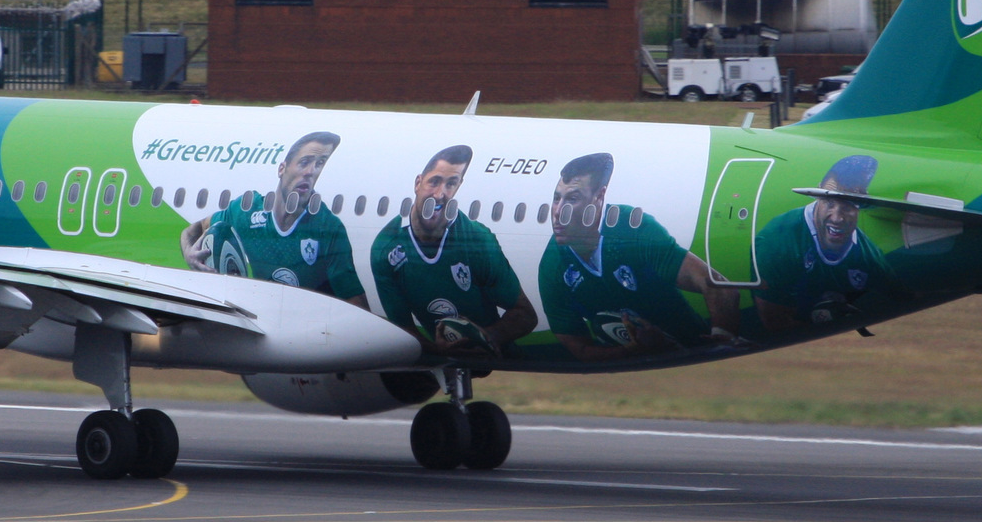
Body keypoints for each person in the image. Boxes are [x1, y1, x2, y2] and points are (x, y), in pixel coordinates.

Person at [536, 152, 740, 363]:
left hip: (693, 353)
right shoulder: (553, 265)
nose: (558, 212)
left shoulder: (634, 230)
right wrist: (634, 351)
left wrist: (721, 344)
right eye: (556, 198)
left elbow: (721, 287)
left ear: (599, 196)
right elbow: (579, 349)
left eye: (573, 199)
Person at [369, 144, 536, 357]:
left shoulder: (477, 240)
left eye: (451, 184)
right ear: (418, 183)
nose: (440, 194)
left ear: (459, 186)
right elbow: (402, 331)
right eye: (434, 181)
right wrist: (439, 351)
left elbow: (526, 315)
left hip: (493, 354)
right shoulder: (386, 247)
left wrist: (486, 338)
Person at [180, 130, 366, 306]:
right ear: (282, 169)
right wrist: (189, 253)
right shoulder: (247, 211)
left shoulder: (327, 227)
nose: (311, 171)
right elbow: (194, 229)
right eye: (305, 162)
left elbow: (357, 307)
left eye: (320, 164)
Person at [751, 153, 897, 334]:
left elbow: (903, 298)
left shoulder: (869, 254)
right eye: (829, 202)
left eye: (848, 205)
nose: (837, 218)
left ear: (860, 205)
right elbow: (774, 322)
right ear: (818, 192)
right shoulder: (777, 240)